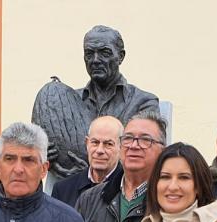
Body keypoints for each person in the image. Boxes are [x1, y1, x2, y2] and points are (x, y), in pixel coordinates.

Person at [31, 25, 159, 182]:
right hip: (67, 190)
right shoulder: (67, 104)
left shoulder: (143, 102)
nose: (96, 60)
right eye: (89, 54)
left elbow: (145, 155)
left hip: (119, 193)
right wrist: (43, 152)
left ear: (121, 56)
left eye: (104, 53)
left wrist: (89, 174)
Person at [52, 115, 122, 207]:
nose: (99, 150)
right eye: (95, 142)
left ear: (121, 147)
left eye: (108, 144)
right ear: (87, 143)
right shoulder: (63, 189)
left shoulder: (129, 189)